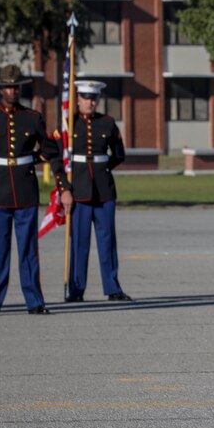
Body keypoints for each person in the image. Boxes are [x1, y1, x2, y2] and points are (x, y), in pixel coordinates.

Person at [0, 65, 62, 315]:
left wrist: (30, 159)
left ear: (20, 88)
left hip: (25, 191)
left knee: (28, 250)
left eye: (15, 86)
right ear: (1, 89)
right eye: (7, 87)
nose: (12, 91)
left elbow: (49, 150)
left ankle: (34, 301)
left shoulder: (33, 117)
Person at [57, 80, 132, 303]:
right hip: (78, 190)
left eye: (93, 98)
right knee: (79, 242)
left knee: (107, 240)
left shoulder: (108, 123)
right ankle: (76, 290)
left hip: (104, 190)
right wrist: (64, 188)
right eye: (86, 98)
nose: (90, 102)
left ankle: (113, 287)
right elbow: (58, 161)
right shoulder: (68, 125)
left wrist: (103, 168)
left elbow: (119, 154)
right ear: (77, 99)